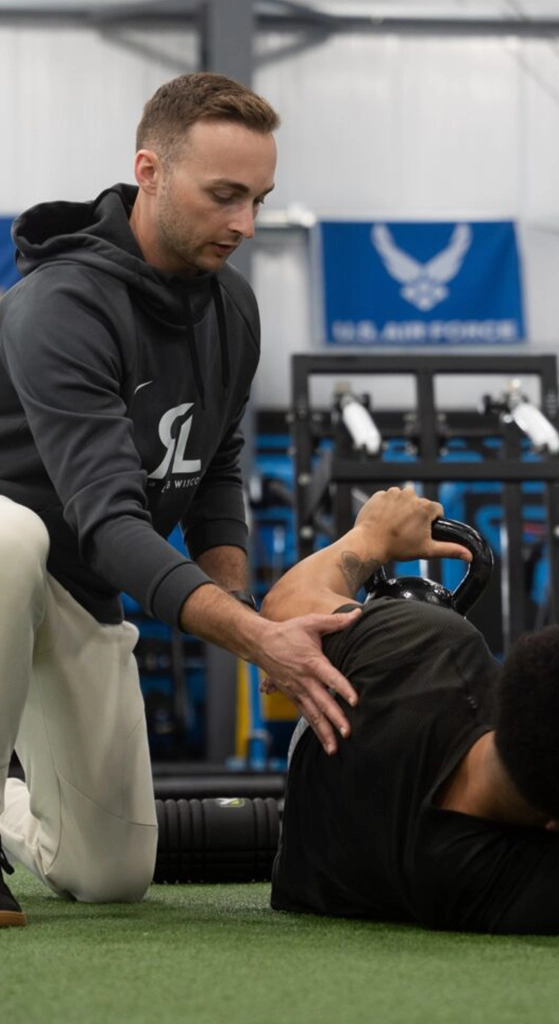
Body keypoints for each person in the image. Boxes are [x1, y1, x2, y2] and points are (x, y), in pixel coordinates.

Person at [0, 72, 362, 927]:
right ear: (150, 171)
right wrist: (251, 637)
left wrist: (236, 600)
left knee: (110, 873)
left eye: (260, 200)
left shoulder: (232, 300)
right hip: (15, 552)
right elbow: (110, 516)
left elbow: (217, 458)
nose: (244, 224)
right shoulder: (58, 307)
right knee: (10, 540)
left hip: (80, 583)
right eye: (224, 196)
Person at [263, 486, 559, 934]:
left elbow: (283, 608)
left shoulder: (429, 641)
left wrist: (370, 536)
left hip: (321, 815)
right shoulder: (492, 885)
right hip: (310, 868)